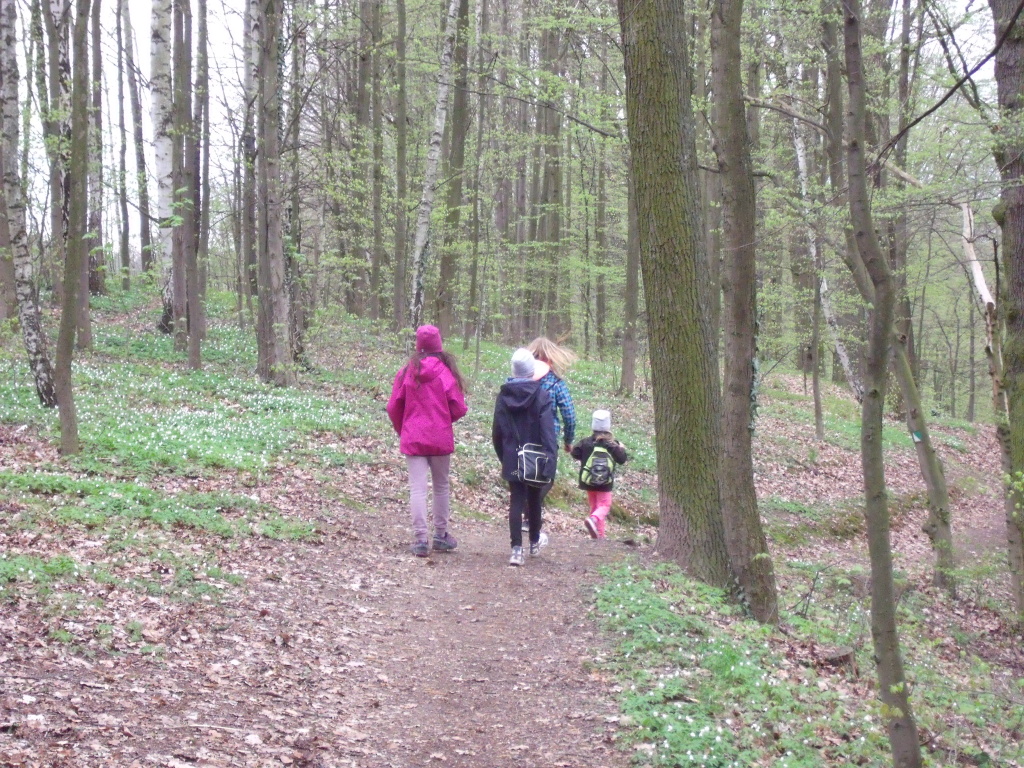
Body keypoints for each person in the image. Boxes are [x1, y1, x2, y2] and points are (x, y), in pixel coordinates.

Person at [387, 325, 468, 557]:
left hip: (413, 437)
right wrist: (443, 419)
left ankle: (421, 539)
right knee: (441, 486)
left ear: (418, 346)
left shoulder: (406, 372)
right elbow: (459, 407)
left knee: (417, 488)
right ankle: (440, 535)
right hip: (439, 437)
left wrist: (403, 429)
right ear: (438, 345)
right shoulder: (445, 373)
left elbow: (393, 406)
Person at [492, 348, 557, 566]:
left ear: (514, 371)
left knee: (516, 500)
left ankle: (516, 550)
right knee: (534, 499)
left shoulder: (503, 396)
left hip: (512, 455)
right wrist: (550, 460)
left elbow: (497, 432)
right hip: (535, 457)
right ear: (531, 370)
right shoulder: (542, 395)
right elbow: (548, 432)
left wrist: (504, 457)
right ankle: (534, 543)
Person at [571, 409, 628, 539]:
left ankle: (598, 536)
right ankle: (594, 521)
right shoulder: (612, 445)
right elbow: (622, 460)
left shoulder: (585, 442)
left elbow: (574, 453)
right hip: (605, 483)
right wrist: (621, 449)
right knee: (604, 506)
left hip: (588, 481)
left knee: (595, 507)